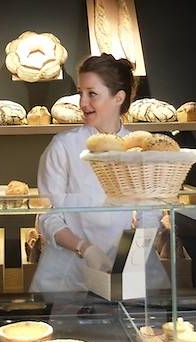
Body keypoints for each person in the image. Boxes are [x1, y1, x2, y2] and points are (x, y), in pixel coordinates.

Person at [31, 54, 167, 293]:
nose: (83, 103)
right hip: (68, 274)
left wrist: (127, 266)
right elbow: (48, 216)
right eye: (80, 93)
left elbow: (149, 215)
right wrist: (85, 248)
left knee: (135, 328)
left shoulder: (140, 149)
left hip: (132, 268)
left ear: (118, 98)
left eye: (92, 94)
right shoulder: (63, 147)